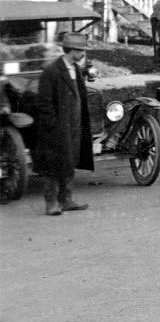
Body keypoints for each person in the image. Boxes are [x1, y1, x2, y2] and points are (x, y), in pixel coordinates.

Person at [34, 31, 94, 215]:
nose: (83, 53)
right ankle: (51, 203)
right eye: (80, 50)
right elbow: (44, 104)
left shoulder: (75, 69)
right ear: (71, 50)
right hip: (57, 128)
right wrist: (54, 126)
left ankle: (66, 200)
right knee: (53, 165)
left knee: (69, 161)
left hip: (73, 125)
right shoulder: (52, 71)